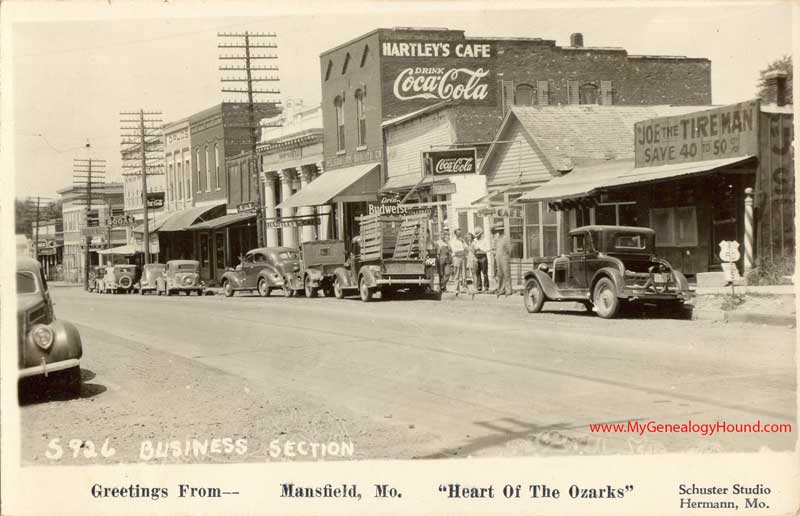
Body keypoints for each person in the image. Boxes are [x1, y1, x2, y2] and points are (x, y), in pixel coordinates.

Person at [492, 224, 513, 298]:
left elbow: (509, 249)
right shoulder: (498, 238)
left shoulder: (506, 238)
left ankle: (508, 290)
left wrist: (507, 256)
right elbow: (495, 248)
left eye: (500, 230)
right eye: (498, 230)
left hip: (504, 257)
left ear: (503, 230)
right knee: (500, 274)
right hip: (498, 257)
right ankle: (501, 289)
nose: (499, 231)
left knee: (506, 273)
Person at [449, 228, 467, 295]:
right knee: (457, 274)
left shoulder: (462, 240)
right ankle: (456, 289)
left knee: (464, 273)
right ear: (455, 233)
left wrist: (462, 247)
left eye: (460, 232)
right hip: (456, 258)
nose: (459, 233)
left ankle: (465, 287)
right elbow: (455, 251)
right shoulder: (452, 241)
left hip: (462, 257)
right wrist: (462, 250)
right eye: (458, 232)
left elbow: (466, 248)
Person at [472, 227, 491, 292]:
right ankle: (479, 286)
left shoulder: (485, 240)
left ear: (481, 234)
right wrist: (474, 252)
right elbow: (473, 249)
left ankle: (486, 286)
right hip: (477, 256)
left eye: (478, 235)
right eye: (476, 235)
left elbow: (488, 249)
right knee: (478, 273)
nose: (477, 236)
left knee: (485, 272)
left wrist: (481, 249)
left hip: (483, 256)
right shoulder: (475, 240)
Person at [464, 232, 478, 299]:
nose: (468, 238)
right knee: (468, 274)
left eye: (469, 237)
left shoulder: (474, 243)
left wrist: (474, 257)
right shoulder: (468, 244)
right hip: (468, 259)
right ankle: (470, 288)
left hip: (473, 258)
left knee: (474, 273)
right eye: (467, 237)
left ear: (472, 237)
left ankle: (475, 288)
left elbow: (475, 250)